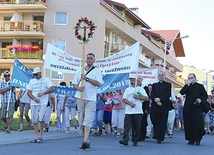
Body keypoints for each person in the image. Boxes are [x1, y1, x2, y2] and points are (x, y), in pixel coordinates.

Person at [73, 53, 102, 150]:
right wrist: (78, 88)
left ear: (94, 60)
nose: (89, 60)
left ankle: (84, 141)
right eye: (88, 58)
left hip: (91, 99)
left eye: (91, 58)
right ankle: (87, 140)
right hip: (80, 97)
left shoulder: (97, 71)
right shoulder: (80, 71)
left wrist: (87, 78)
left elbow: (98, 83)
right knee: (81, 121)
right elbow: (74, 84)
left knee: (88, 120)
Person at [119, 74, 148, 146]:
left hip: (137, 111)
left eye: (133, 80)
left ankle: (135, 140)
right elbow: (124, 99)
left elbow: (146, 98)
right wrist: (130, 103)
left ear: (136, 81)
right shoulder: (128, 89)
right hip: (129, 111)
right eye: (131, 80)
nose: (132, 81)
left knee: (136, 126)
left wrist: (138, 97)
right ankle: (125, 139)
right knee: (127, 126)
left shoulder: (141, 89)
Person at [27, 67, 54, 143]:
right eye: (34, 74)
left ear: (40, 73)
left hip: (43, 102)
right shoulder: (32, 81)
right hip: (34, 102)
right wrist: (34, 98)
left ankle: (41, 135)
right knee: (34, 119)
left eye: (36, 74)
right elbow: (28, 92)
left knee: (41, 118)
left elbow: (52, 88)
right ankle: (36, 136)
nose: (35, 76)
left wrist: (43, 93)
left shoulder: (46, 80)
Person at [180, 73, 208, 146]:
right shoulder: (187, 86)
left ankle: (198, 138)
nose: (190, 79)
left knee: (198, 123)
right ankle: (190, 139)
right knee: (188, 123)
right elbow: (182, 92)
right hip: (188, 107)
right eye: (189, 78)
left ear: (195, 78)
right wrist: (187, 85)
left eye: (192, 78)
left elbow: (205, 96)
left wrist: (200, 100)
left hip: (197, 107)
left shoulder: (200, 86)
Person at [150, 70, 172, 144]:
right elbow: (152, 94)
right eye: (159, 75)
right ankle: (156, 134)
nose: (161, 76)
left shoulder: (168, 84)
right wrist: (156, 100)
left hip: (164, 105)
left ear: (164, 76)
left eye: (162, 75)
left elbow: (168, 94)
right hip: (155, 105)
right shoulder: (154, 85)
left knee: (162, 121)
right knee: (155, 120)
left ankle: (160, 137)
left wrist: (160, 99)